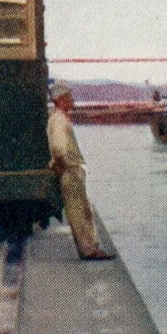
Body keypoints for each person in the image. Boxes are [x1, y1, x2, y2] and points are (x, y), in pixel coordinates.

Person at [47, 82, 115, 260]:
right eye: (69, 98)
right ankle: (89, 250)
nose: (72, 100)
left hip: (69, 170)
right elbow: (59, 148)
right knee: (79, 211)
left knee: (82, 210)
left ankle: (90, 248)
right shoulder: (60, 121)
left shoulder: (58, 118)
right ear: (61, 100)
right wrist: (63, 167)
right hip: (70, 170)